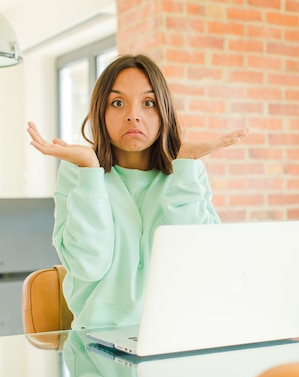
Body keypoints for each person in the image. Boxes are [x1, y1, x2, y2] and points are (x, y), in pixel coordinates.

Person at [27, 54, 248, 329]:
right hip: (99, 342)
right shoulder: (78, 172)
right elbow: (88, 264)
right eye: (118, 103)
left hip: (179, 334)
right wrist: (89, 172)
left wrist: (186, 169)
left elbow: (196, 267)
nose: (134, 115)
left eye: (149, 103)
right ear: (100, 112)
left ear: (164, 110)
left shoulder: (188, 173)